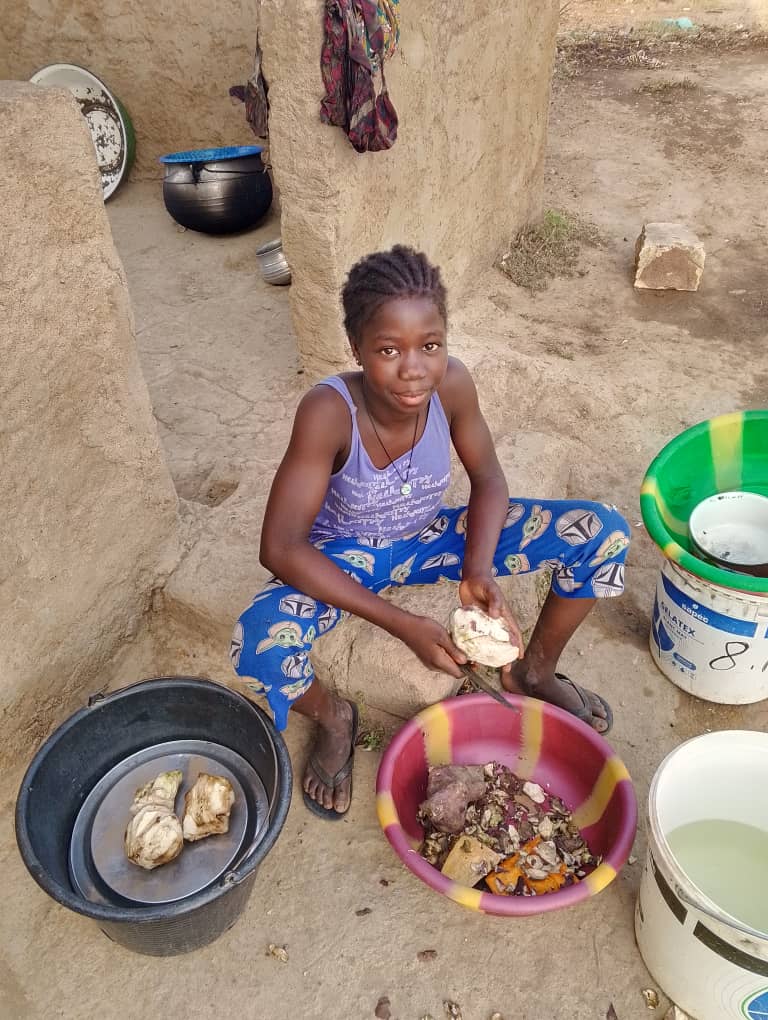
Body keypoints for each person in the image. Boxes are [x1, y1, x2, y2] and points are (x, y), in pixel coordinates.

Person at [230, 246, 630, 820]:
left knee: (602, 533)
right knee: (256, 644)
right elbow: (280, 547)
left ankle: (533, 670)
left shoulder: (452, 386)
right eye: (389, 350)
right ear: (356, 348)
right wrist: (403, 624)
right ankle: (334, 716)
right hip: (344, 555)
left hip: (431, 535)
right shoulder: (328, 411)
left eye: (431, 345)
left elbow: (489, 478)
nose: (414, 369)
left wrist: (477, 569)